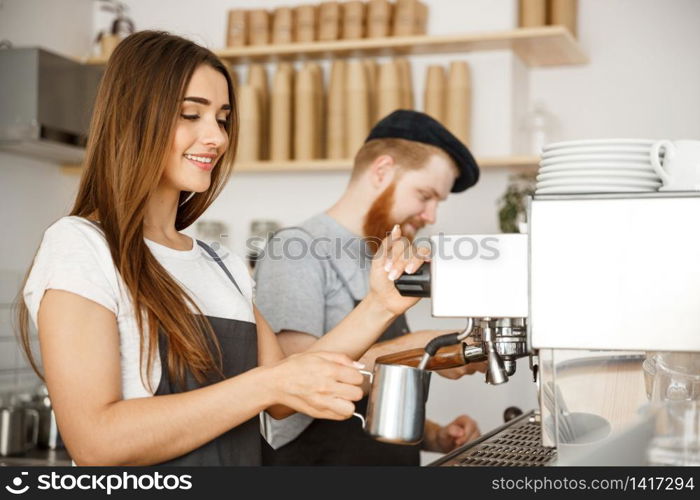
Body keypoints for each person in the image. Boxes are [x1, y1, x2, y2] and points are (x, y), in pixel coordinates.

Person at [15, 31, 427, 466]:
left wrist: (380, 304)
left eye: (223, 119)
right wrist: (267, 385)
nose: (216, 137)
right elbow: (96, 442)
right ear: (132, 119)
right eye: (191, 114)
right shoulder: (81, 245)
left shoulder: (221, 263)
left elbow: (285, 393)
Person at [255, 110, 485, 466]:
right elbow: (288, 393)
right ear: (382, 171)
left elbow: (372, 397)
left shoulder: (379, 254)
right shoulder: (297, 251)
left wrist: (436, 435)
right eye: (425, 195)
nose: (431, 216)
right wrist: (420, 348)